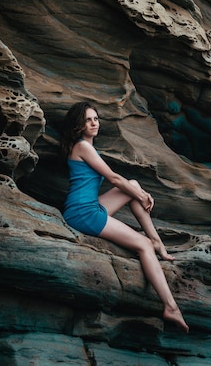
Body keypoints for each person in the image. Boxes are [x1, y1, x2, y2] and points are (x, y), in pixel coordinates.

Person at [60, 101, 189, 333]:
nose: (94, 123)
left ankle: (157, 241)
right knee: (142, 245)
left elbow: (123, 183)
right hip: (84, 212)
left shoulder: (84, 148)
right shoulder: (83, 147)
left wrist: (138, 191)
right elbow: (113, 179)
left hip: (87, 207)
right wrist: (142, 195)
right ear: (78, 125)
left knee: (133, 183)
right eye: (88, 119)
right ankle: (170, 306)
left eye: (96, 119)